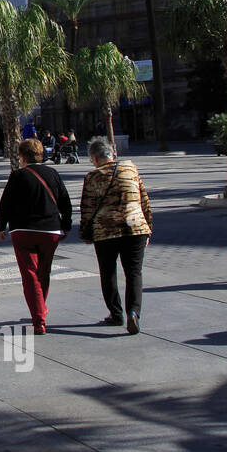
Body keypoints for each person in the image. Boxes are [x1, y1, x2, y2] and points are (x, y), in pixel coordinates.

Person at [0, 138, 73, 335]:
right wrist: (66, 225)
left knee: (29, 275)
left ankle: (39, 317)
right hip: (50, 231)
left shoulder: (18, 176)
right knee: (44, 272)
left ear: (22, 157)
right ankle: (40, 309)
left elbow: (6, 203)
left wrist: (1, 226)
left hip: (23, 231)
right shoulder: (53, 174)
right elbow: (65, 201)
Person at [80, 137, 152, 335]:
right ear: (113, 154)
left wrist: (85, 233)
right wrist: (148, 228)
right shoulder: (131, 169)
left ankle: (116, 313)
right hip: (135, 228)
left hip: (105, 231)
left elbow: (86, 208)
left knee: (108, 272)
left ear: (94, 158)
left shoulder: (93, 177)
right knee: (134, 272)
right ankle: (134, 313)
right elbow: (144, 199)